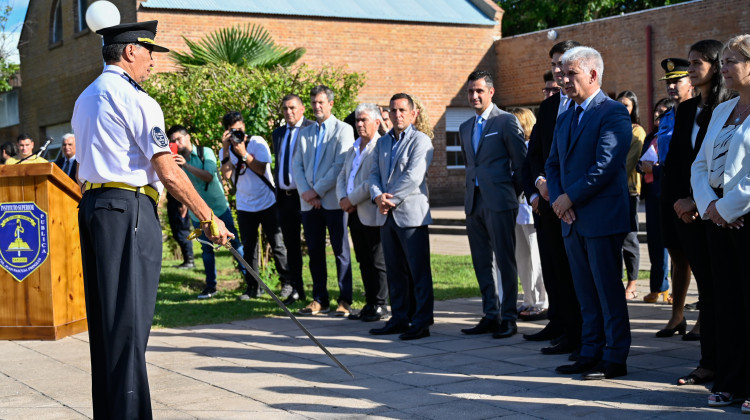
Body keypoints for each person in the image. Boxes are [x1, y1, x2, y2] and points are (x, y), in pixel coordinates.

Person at [71, 21, 230, 419]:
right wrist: (209, 217)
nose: (152, 63)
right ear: (129, 52)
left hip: (94, 207)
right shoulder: (136, 98)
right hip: (128, 210)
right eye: (149, 54)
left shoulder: (86, 97)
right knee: (129, 324)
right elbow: (168, 171)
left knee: (109, 327)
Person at [546, 46, 632, 380]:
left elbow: (606, 165)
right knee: (584, 291)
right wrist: (559, 199)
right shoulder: (566, 114)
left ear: (593, 74)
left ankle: (614, 357)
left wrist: (570, 198)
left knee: (608, 292)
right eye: (562, 73)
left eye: (571, 74)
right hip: (571, 219)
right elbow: (553, 163)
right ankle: (589, 350)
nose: (563, 79)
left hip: (601, 217)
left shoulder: (613, 113)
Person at [667, 39, 733, 387]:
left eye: (696, 63)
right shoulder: (685, 109)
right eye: (689, 62)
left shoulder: (729, 107)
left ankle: (728, 363)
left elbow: (722, 167)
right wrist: (680, 202)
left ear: (716, 65)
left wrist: (700, 200)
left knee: (724, 291)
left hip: (720, 212)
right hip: (687, 213)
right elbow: (681, 162)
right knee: (706, 291)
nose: (690, 69)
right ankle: (708, 362)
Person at [691, 34, 750, 411]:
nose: (724, 68)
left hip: (744, 220)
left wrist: (728, 207)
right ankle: (731, 381)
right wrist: (710, 205)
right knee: (726, 304)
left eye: (732, 61)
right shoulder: (720, 110)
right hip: (717, 221)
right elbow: (699, 165)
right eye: (723, 61)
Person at [521, 40, 582, 359]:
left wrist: (560, 190)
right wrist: (536, 188)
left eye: (564, 64)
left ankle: (578, 332)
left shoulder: (592, 106)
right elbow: (533, 158)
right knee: (554, 269)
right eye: (555, 64)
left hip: (575, 206)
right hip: (545, 205)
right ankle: (558, 323)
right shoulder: (547, 107)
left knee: (575, 274)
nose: (558, 71)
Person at [458, 70, 526, 338]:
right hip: (473, 204)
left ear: (491, 92)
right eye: (470, 91)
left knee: (505, 262)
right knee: (481, 261)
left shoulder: (506, 121)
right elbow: (470, 165)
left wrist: (510, 194)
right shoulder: (465, 127)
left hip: (500, 203)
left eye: (479, 91)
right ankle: (490, 314)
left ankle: (508, 318)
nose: (474, 96)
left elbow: (521, 165)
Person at [369, 93, 434, 340]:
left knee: (418, 271)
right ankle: (399, 318)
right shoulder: (383, 143)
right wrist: (377, 197)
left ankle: (421, 321)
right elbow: (374, 174)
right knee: (395, 271)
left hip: (411, 217)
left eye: (402, 110)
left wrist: (388, 200)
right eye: (393, 110)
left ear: (413, 113)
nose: (397, 115)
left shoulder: (422, 141)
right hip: (386, 216)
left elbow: (413, 177)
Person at [292, 85, 354, 316]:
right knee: (315, 251)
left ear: (330, 103)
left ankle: (344, 300)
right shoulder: (305, 131)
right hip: (308, 203)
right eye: (314, 103)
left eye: (321, 102)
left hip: (333, 201)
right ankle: (319, 299)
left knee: (341, 251)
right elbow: (296, 165)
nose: (316, 107)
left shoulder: (344, 130)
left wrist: (315, 191)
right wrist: (307, 193)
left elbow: (340, 165)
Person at [168, 124, 248, 299]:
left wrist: (186, 167)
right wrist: (184, 204)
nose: (176, 143)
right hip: (198, 214)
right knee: (207, 250)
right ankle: (211, 287)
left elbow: (209, 176)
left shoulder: (206, 152)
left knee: (235, 244)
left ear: (187, 137)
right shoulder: (176, 160)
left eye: (178, 139)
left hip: (218, 208)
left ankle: (251, 283)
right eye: (172, 141)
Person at [654, 57, 702, 339]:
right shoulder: (669, 115)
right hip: (668, 190)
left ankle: (704, 318)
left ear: (691, 82)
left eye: (677, 81)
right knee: (676, 254)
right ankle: (677, 316)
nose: (672, 87)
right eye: (668, 83)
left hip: (691, 190)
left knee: (698, 256)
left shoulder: (700, 112)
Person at [219, 111, 291, 301]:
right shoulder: (225, 150)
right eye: (232, 130)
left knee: (277, 244)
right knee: (249, 248)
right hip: (245, 205)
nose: (236, 133)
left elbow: (261, 168)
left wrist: (243, 153)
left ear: (244, 125)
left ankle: (287, 284)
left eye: (239, 128)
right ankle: (253, 287)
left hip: (267, 201)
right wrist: (227, 150)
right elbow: (226, 176)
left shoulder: (257, 142)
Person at [336, 103, 389, 322]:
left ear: (377, 122)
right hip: (353, 212)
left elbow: (372, 181)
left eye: (363, 120)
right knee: (363, 259)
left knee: (377, 261)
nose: (359, 124)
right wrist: (342, 199)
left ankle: (380, 303)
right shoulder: (353, 148)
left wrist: (351, 199)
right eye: (357, 120)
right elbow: (342, 176)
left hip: (370, 211)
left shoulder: (380, 147)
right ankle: (369, 303)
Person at [272, 94, 314, 304]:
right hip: (285, 198)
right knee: (291, 246)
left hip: (306, 196)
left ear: (302, 109)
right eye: (286, 108)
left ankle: (319, 293)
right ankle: (297, 289)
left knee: (314, 244)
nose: (289, 112)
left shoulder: (311, 129)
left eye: (293, 108)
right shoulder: (278, 133)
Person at [509, 107, 547, 321]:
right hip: (516, 207)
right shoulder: (512, 147)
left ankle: (543, 301)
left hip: (531, 207)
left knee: (536, 256)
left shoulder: (530, 146)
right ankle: (528, 299)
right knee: (522, 258)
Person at [638, 98, 674, 303]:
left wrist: (656, 169)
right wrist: (643, 166)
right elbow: (639, 164)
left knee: (674, 245)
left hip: (668, 194)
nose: (659, 116)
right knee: (655, 244)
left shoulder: (674, 134)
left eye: (663, 112)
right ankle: (658, 287)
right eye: (656, 113)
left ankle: (676, 291)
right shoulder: (651, 136)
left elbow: (676, 167)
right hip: (652, 195)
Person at [615, 91, 645, 300]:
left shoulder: (637, 131)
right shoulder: (611, 128)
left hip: (628, 189)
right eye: (619, 105)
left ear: (633, 108)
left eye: (627, 105)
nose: (623, 108)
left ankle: (632, 283)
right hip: (608, 191)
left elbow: (629, 162)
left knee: (629, 238)